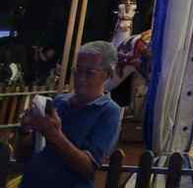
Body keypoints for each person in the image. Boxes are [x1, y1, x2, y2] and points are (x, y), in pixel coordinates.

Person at [16, 41, 122, 187]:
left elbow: (88, 169)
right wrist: (25, 130)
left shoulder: (109, 111)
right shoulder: (59, 102)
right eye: (77, 70)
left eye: (89, 72)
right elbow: (23, 156)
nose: (80, 77)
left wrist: (54, 135)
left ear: (108, 74)